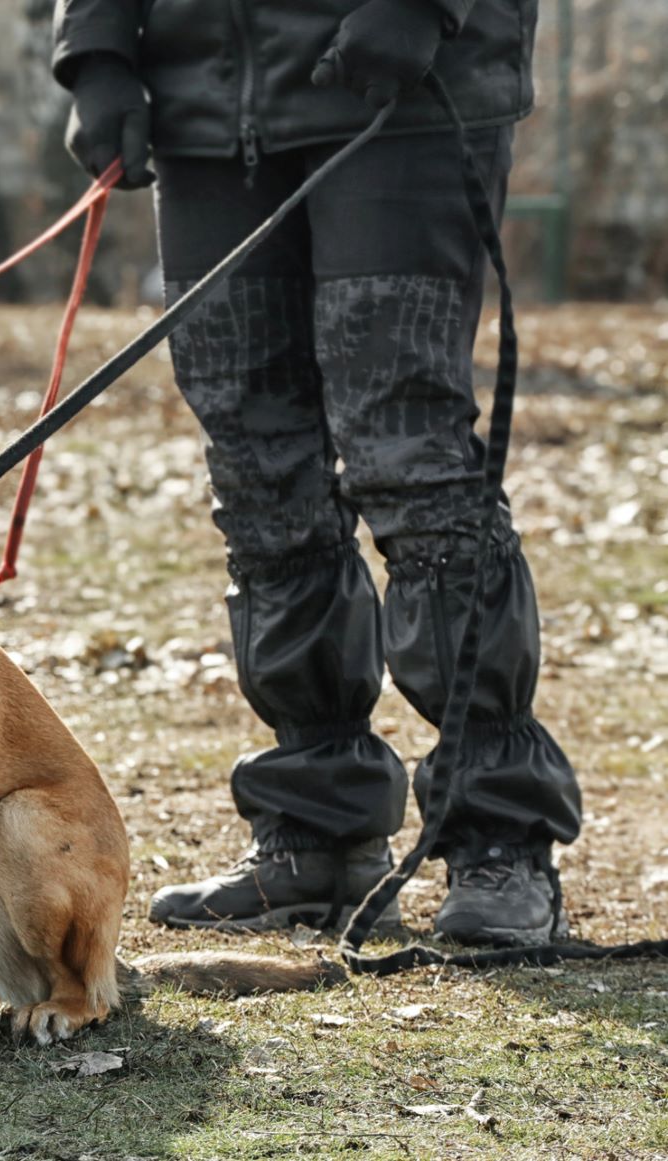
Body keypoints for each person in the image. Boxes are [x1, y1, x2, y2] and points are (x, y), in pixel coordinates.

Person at [50, 0, 580, 947]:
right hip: (205, 104)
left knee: (409, 456)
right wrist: (92, 47)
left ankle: (501, 835)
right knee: (259, 475)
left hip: (401, 87)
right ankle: (315, 828)